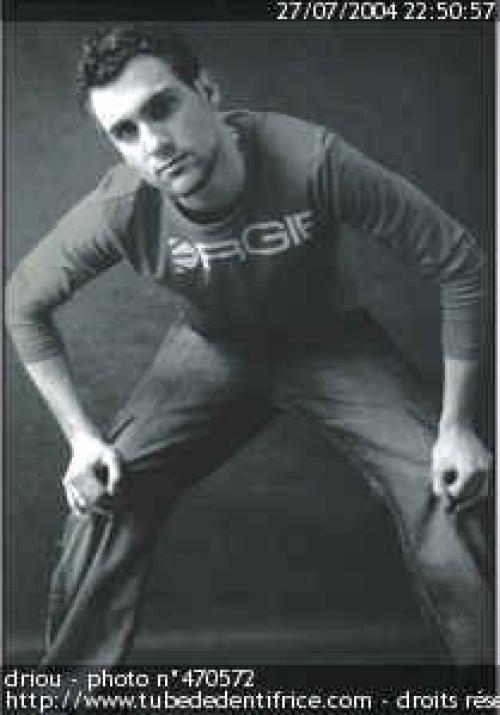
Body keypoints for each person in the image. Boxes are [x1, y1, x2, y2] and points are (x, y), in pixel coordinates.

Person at [6, 26, 494, 667]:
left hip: (330, 343)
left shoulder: (311, 159)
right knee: (101, 493)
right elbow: (23, 302)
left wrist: (457, 426)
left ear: (207, 91)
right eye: (125, 131)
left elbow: (459, 261)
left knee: (450, 487)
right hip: (214, 350)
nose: (154, 143)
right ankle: (67, 698)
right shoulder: (122, 207)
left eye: (162, 107)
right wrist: (80, 438)